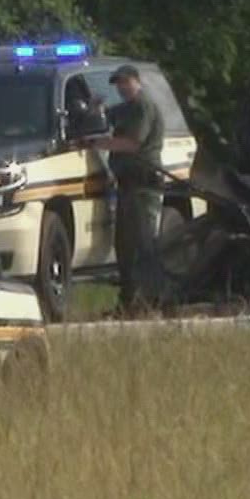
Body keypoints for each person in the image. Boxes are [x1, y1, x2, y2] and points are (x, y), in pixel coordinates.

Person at [83, 64, 166, 314]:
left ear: (136, 81)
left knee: (142, 245)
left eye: (125, 82)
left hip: (142, 184)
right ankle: (129, 302)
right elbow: (107, 116)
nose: (121, 87)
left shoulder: (143, 106)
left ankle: (149, 302)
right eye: (118, 84)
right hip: (127, 185)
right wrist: (95, 111)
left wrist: (99, 142)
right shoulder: (127, 108)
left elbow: (132, 143)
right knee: (126, 247)